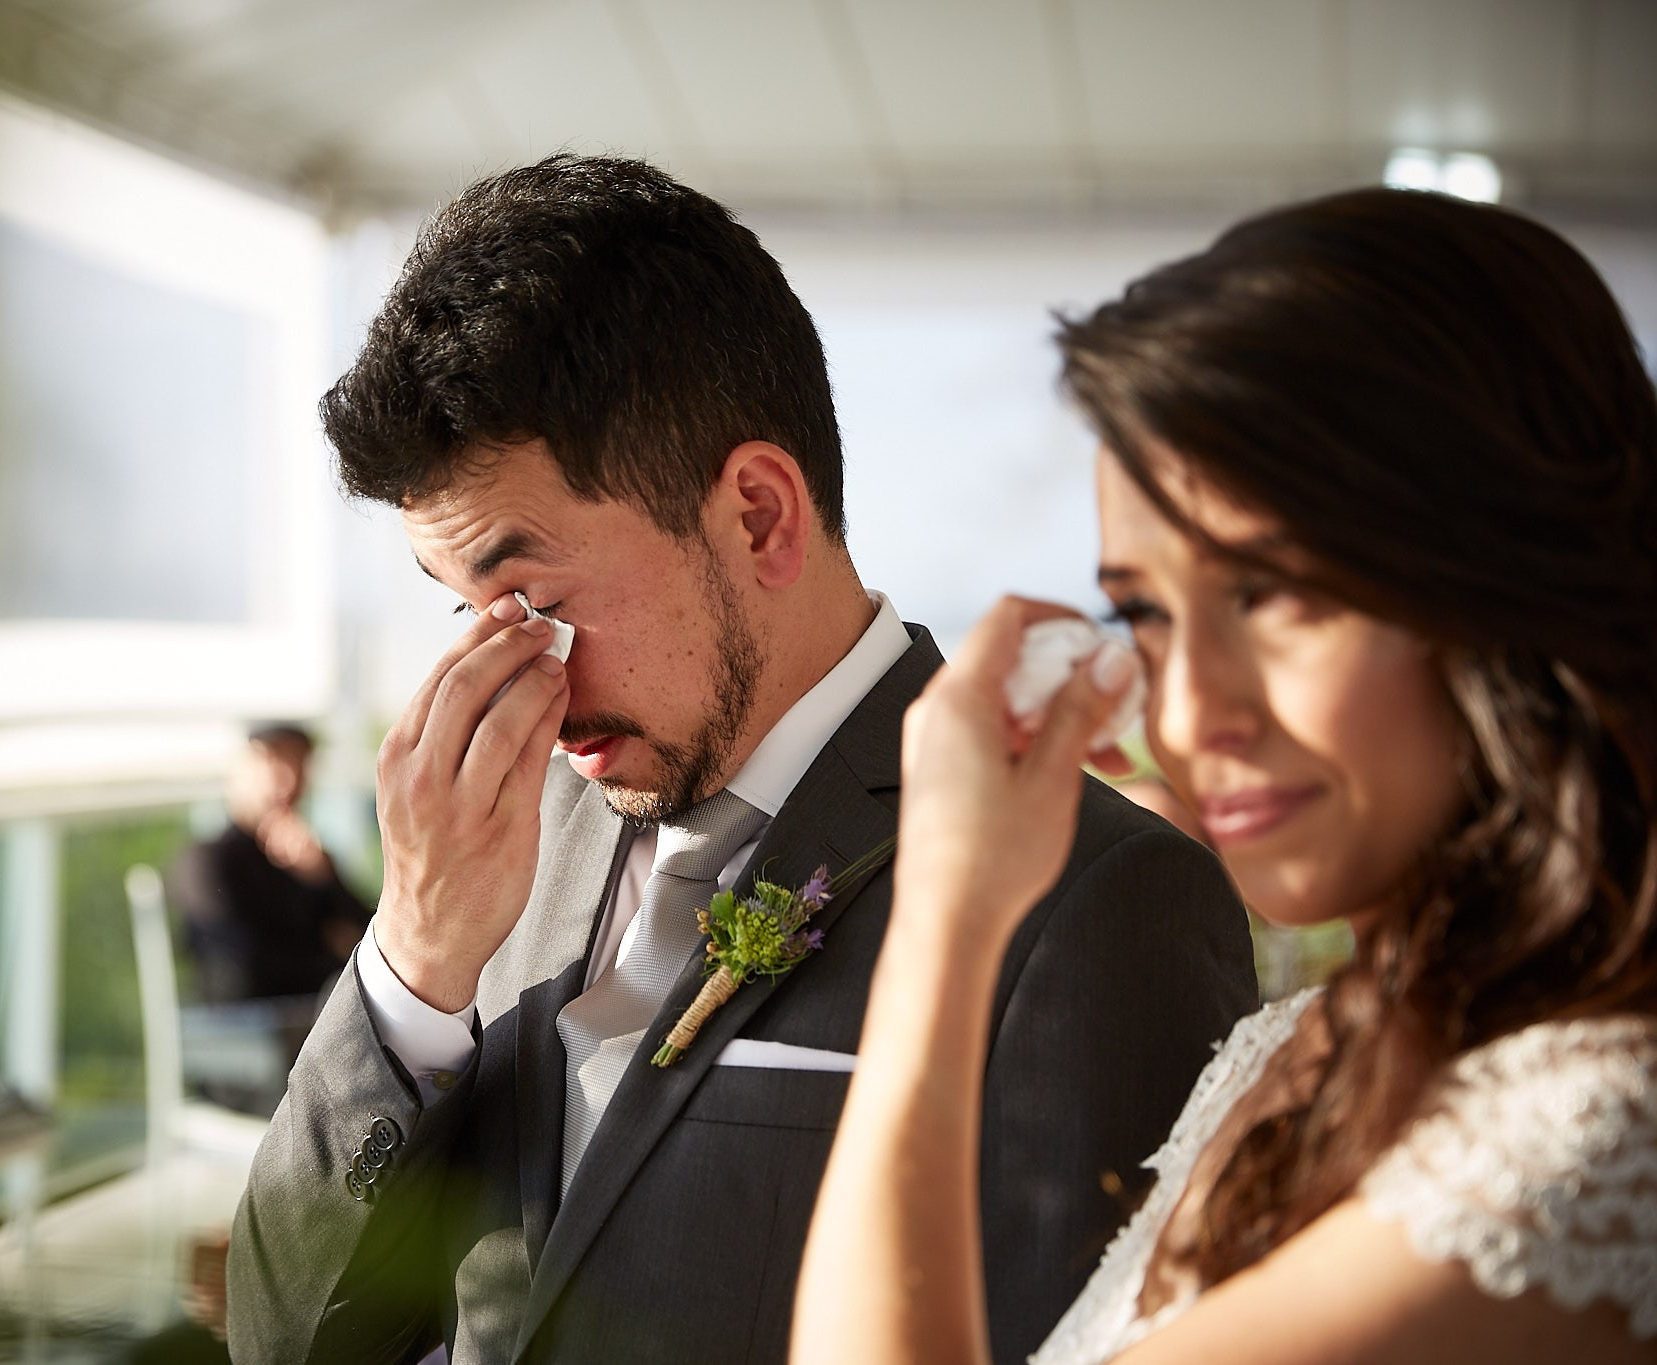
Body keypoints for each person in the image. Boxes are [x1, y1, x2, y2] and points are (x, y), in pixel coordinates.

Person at [226, 154, 1256, 1365]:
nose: (517, 679)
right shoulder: (490, 842)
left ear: (759, 514)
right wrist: (413, 962)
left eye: (531, 597)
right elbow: (277, 1341)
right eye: (463, 614)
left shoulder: (1100, 902)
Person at [794, 188, 1657, 1363]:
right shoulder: (1299, 1044)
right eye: (1143, 615)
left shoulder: (1588, 1130)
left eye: (1271, 593)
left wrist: (946, 922)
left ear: (1507, 571)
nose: (1192, 712)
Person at [169, 723, 371, 1004]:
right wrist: (333, 949)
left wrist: (325, 879)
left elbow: (375, 941)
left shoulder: (308, 860)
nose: (289, 781)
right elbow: (244, 967)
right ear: (241, 769)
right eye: (275, 763)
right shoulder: (208, 861)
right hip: (250, 1033)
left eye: (299, 765)